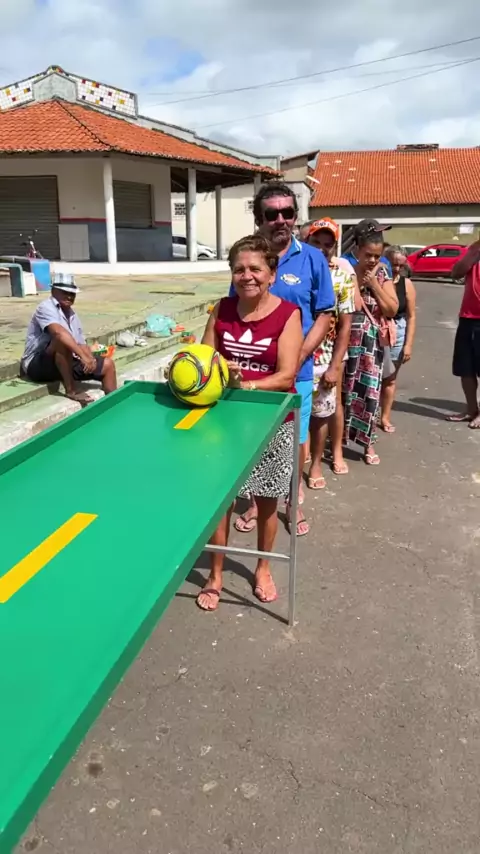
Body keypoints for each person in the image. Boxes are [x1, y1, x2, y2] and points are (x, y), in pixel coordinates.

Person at [197, 234, 303, 611]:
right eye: (239, 269)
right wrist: (190, 370)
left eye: (255, 268)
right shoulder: (221, 310)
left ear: (272, 274)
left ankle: (263, 567)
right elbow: (204, 360)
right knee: (221, 501)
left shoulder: (288, 314)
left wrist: (245, 384)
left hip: (272, 420)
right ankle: (215, 574)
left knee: (267, 500)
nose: (247, 276)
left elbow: (286, 374)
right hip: (224, 419)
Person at [231, 182, 335, 536]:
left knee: (294, 442)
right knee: (254, 440)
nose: (280, 220)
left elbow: (325, 313)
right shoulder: (249, 259)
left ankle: (292, 500)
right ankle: (258, 503)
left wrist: (297, 356)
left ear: (295, 215)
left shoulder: (313, 258)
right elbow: (235, 310)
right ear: (259, 218)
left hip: (297, 374)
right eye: (272, 214)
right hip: (253, 373)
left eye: (287, 212)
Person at [305, 218, 356, 486]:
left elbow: (345, 327)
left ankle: (316, 464)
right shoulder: (296, 272)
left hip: (324, 359)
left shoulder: (342, 278)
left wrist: (335, 366)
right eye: (316, 242)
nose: (322, 249)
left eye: (328, 244)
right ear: (306, 241)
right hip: (295, 359)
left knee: (321, 416)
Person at [343, 230, 399, 465]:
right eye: (368, 255)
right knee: (344, 393)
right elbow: (351, 305)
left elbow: (392, 309)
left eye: (377, 256)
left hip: (370, 345)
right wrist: (357, 280)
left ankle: (368, 443)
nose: (373, 260)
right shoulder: (346, 271)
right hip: (345, 341)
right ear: (357, 250)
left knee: (370, 394)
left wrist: (374, 285)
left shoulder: (383, 275)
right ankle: (339, 439)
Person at [21, 273, 117, 403]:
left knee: (107, 364)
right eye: (64, 292)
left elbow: (81, 343)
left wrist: (89, 358)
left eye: (72, 293)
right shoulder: (45, 307)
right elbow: (58, 333)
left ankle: (112, 404)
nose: (69, 296)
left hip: (64, 362)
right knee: (61, 341)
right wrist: (82, 356)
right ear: (53, 290)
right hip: (37, 364)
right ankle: (71, 390)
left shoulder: (72, 315)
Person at [380, 246, 417, 433]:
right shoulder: (376, 280)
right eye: (393, 264)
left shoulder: (406, 284)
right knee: (371, 378)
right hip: (375, 328)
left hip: (398, 332)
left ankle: (385, 416)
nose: (396, 269)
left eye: (400, 265)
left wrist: (408, 345)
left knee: (390, 378)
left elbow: (411, 316)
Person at [445, 238, 480, 428]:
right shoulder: (473, 249)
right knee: (465, 369)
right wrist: (474, 253)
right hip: (467, 317)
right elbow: (456, 273)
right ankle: (471, 409)